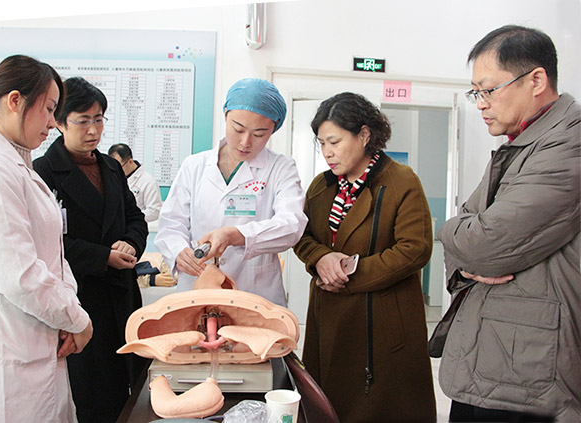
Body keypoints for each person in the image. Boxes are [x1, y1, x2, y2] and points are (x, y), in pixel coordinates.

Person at [436, 25, 580, 422]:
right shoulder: (520, 144)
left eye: (488, 90)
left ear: (536, 80)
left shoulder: (568, 143)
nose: (480, 104)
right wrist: (464, 247)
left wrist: (448, 232)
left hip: (528, 377)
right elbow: (473, 240)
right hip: (494, 359)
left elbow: (486, 243)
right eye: (475, 93)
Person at [0, 55, 93, 422]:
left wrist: (68, 312)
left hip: (33, 343)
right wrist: (77, 319)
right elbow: (17, 271)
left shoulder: (14, 164)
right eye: (49, 109)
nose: (53, 123)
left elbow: (50, 256)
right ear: (14, 101)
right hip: (0, 355)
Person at [293, 92, 436, 422]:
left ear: (364, 135)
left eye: (335, 142)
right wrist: (321, 259)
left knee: (379, 408)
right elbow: (302, 236)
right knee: (327, 405)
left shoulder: (401, 181)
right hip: (329, 316)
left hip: (381, 320)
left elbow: (415, 248)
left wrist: (348, 272)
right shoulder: (321, 187)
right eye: (322, 144)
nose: (327, 152)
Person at [33, 77, 148, 423]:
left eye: (99, 119)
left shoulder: (110, 167)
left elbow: (135, 217)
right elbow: (45, 242)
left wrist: (131, 242)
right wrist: (102, 257)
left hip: (122, 296)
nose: (93, 130)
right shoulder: (43, 172)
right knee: (93, 395)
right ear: (59, 122)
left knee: (133, 386)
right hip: (81, 298)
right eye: (83, 121)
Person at [155, 78, 307, 306]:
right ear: (225, 114)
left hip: (255, 293)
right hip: (198, 287)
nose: (245, 142)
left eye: (259, 134)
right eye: (238, 129)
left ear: (273, 129)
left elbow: (291, 225)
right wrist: (179, 252)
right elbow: (171, 223)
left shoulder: (280, 168)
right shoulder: (194, 166)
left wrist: (236, 235)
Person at [108, 143, 163, 231]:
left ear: (130, 161)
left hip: (134, 227)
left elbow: (155, 211)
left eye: (119, 166)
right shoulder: (114, 177)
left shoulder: (148, 181)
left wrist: (129, 217)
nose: (116, 170)